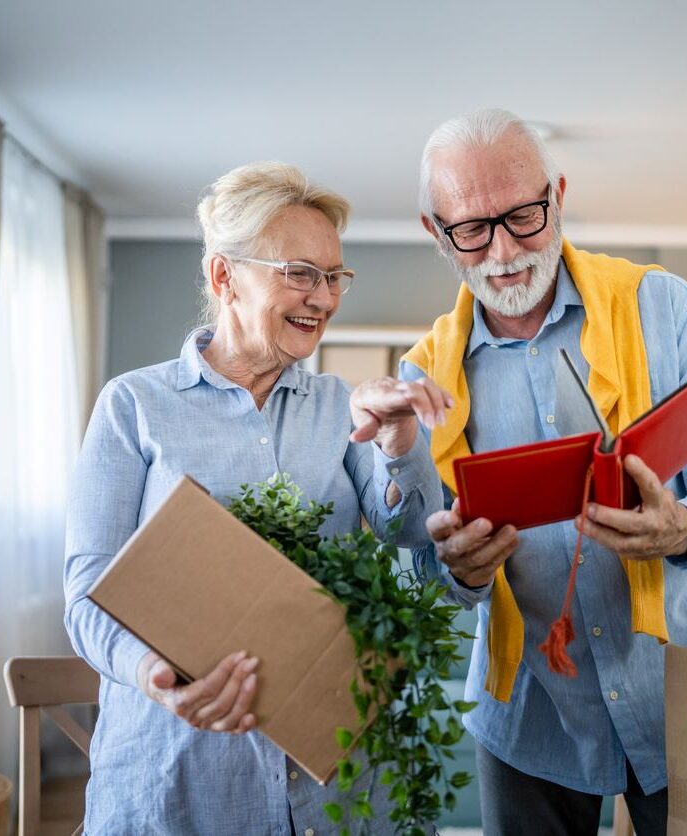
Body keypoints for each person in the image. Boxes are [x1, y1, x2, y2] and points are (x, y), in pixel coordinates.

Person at [400, 109, 687, 836]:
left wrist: (686, 524)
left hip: (686, 689)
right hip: (529, 715)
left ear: (559, 193)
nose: (504, 251)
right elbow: (421, 573)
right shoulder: (421, 379)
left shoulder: (662, 306)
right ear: (435, 231)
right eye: (472, 230)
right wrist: (459, 571)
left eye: (524, 216)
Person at [64, 162, 450, 834]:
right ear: (224, 277)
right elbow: (88, 589)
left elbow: (413, 534)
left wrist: (400, 441)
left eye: (334, 277)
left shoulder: (342, 406)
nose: (324, 297)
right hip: (177, 778)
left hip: (330, 781)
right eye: (300, 273)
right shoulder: (134, 406)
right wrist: (156, 672)